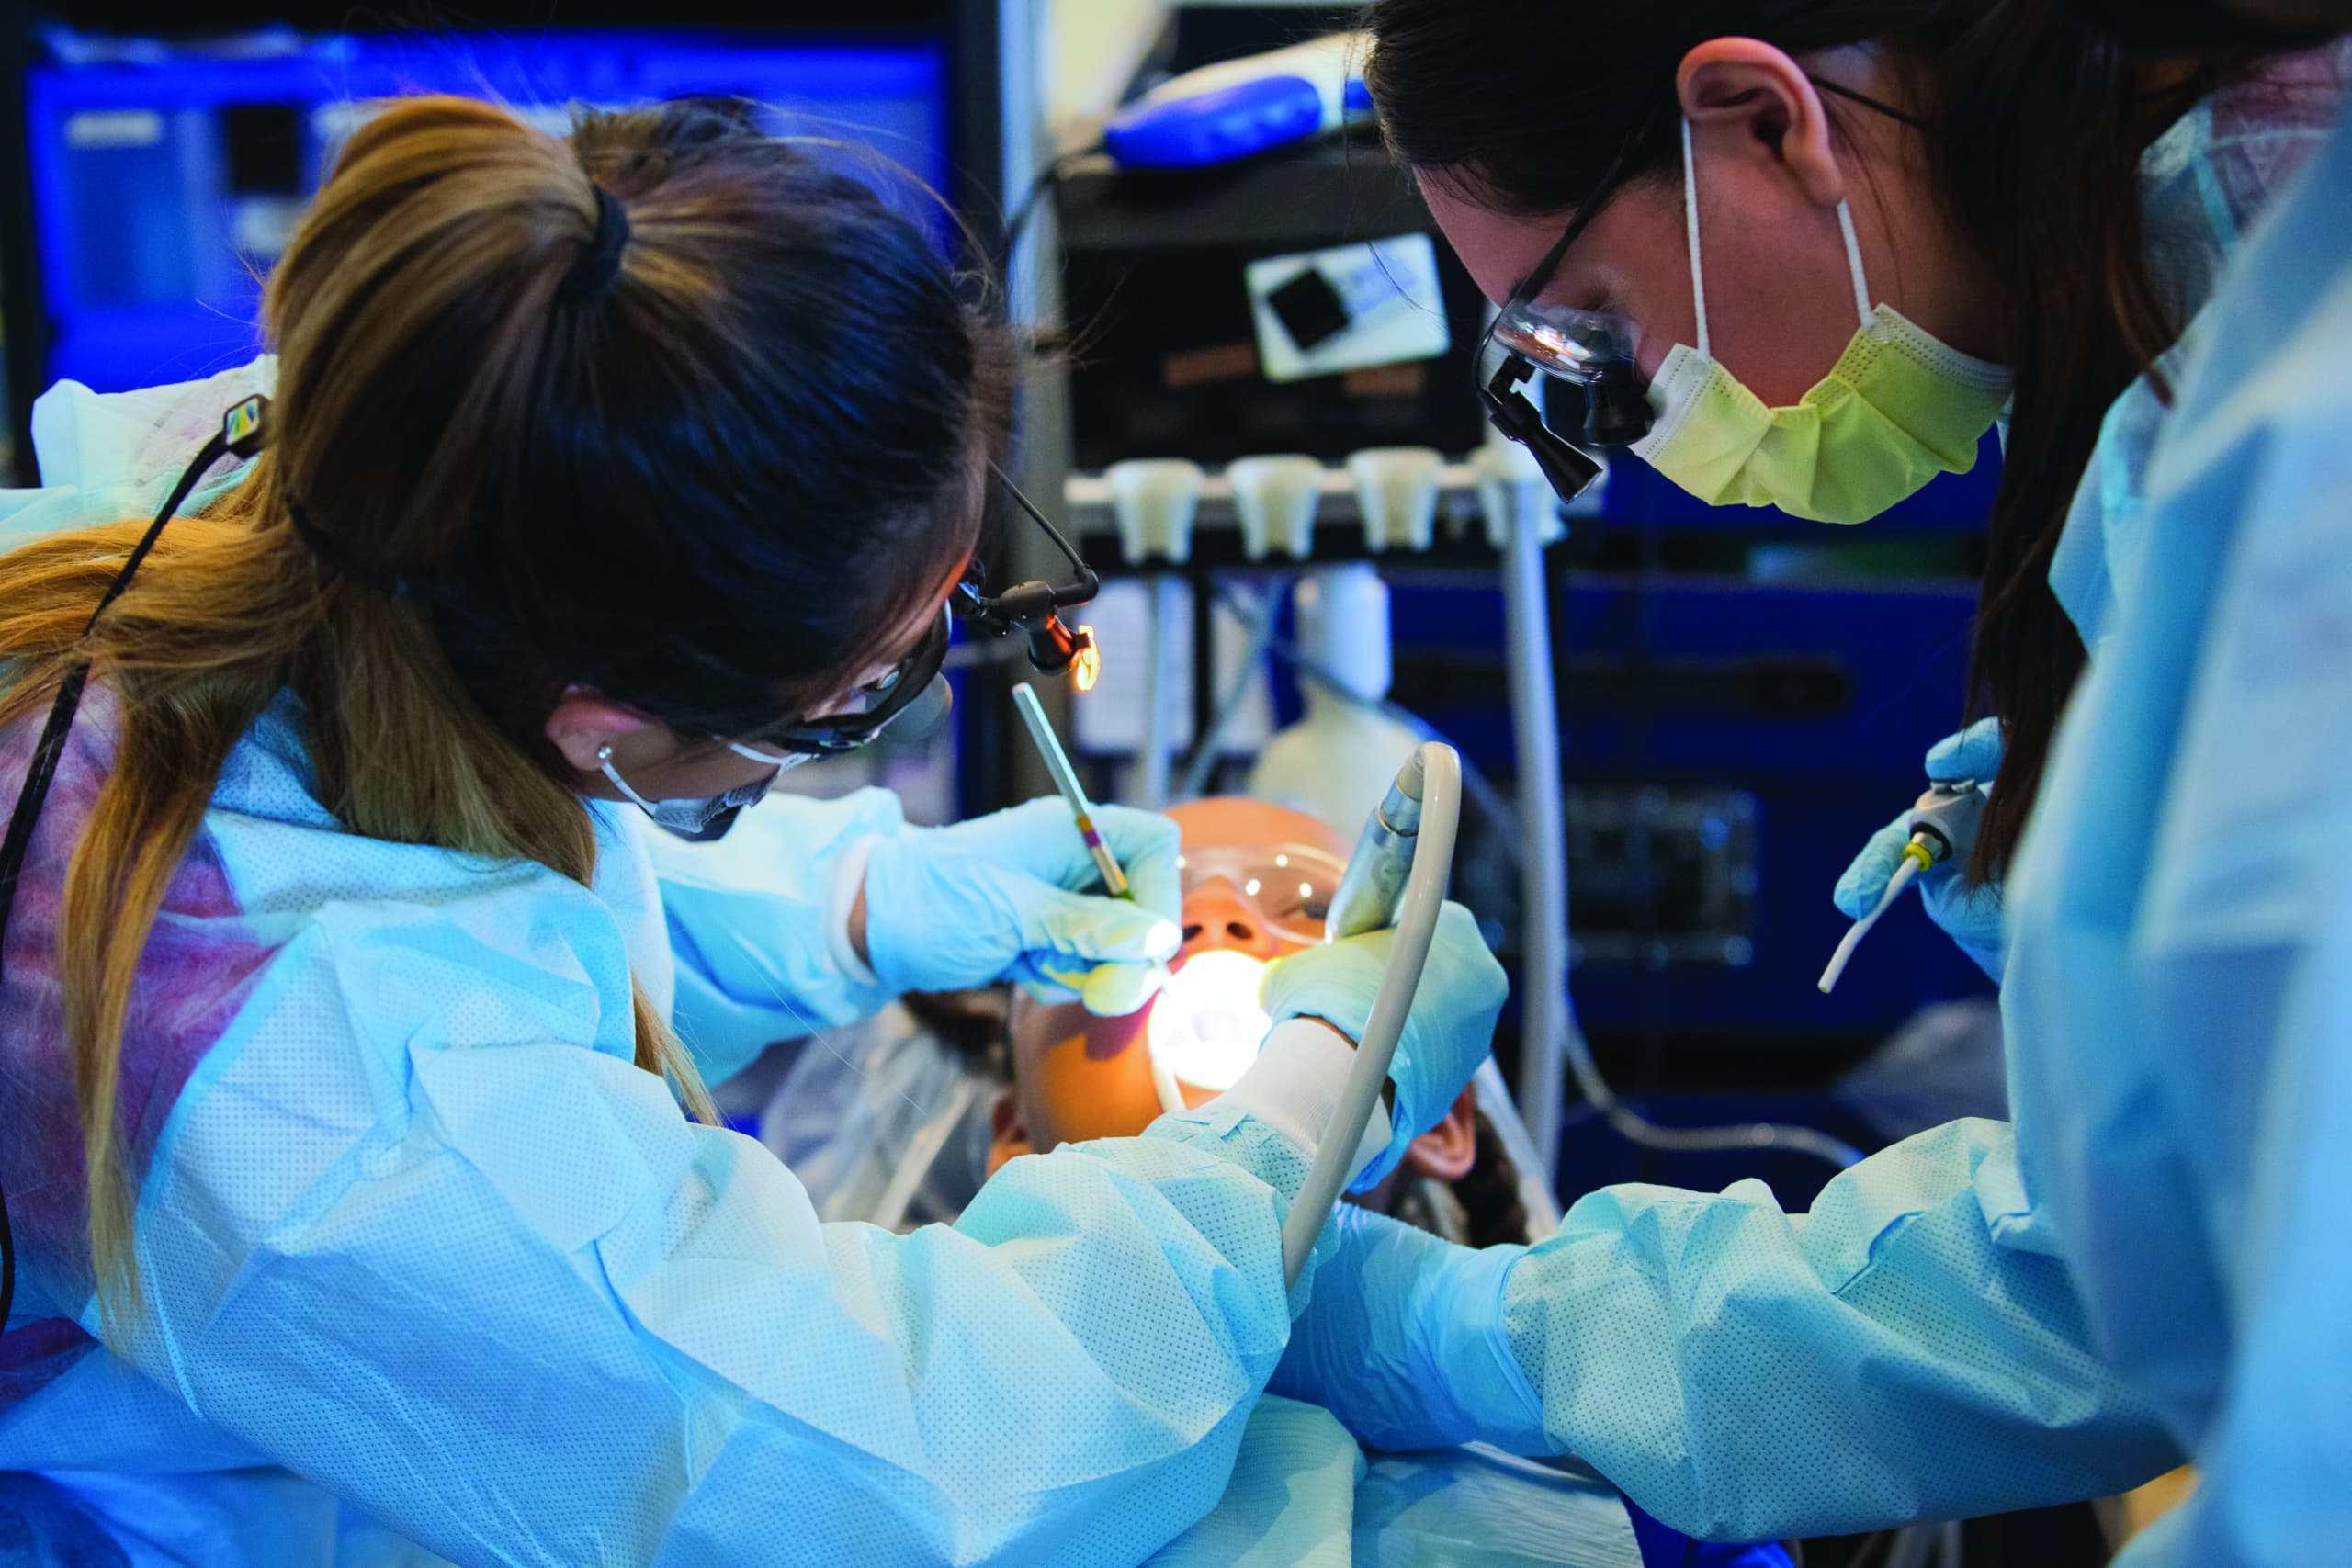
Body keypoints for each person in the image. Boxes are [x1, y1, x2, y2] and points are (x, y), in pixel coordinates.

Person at [0, 96, 1506, 1565]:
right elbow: (911, 1473)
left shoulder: (420, 476)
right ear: (606, 718)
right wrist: (1296, 1110)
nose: (1230, 948)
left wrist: (855, 905)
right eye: (859, 694)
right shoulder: (319, 1105)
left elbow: (478, 874)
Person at [1242, 4, 2352, 1558]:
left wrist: (1475, 1331)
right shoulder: (2203, 329)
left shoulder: (2293, 459)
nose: (1631, 443)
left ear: (1763, 121)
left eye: (1596, 341)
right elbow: (2142, 1253)